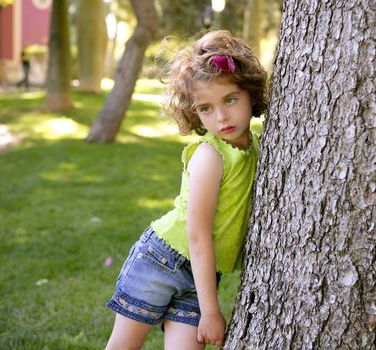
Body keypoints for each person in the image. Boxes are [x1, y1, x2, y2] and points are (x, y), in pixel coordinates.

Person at [105, 30, 268, 350]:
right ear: (194, 112)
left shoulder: (256, 146)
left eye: (230, 100)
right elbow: (197, 234)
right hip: (161, 261)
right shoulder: (210, 156)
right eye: (206, 108)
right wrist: (211, 311)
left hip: (202, 274)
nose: (221, 117)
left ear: (250, 93)